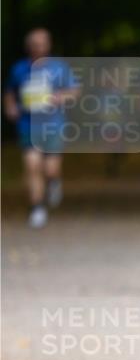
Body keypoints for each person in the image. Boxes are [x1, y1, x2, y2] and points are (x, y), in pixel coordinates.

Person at [3, 28, 78, 228]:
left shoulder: (59, 67)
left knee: (50, 169)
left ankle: (53, 182)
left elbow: (74, 91)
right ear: (28, 46)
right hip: (27, 124)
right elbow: (9, 91)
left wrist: (61, 97)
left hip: (53, 124)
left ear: (48, 44)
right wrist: (10, 107)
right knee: (32, 165)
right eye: (34, 44)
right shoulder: (19, 69)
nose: (38, 47)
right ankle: (37, 207)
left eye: (42, 43)